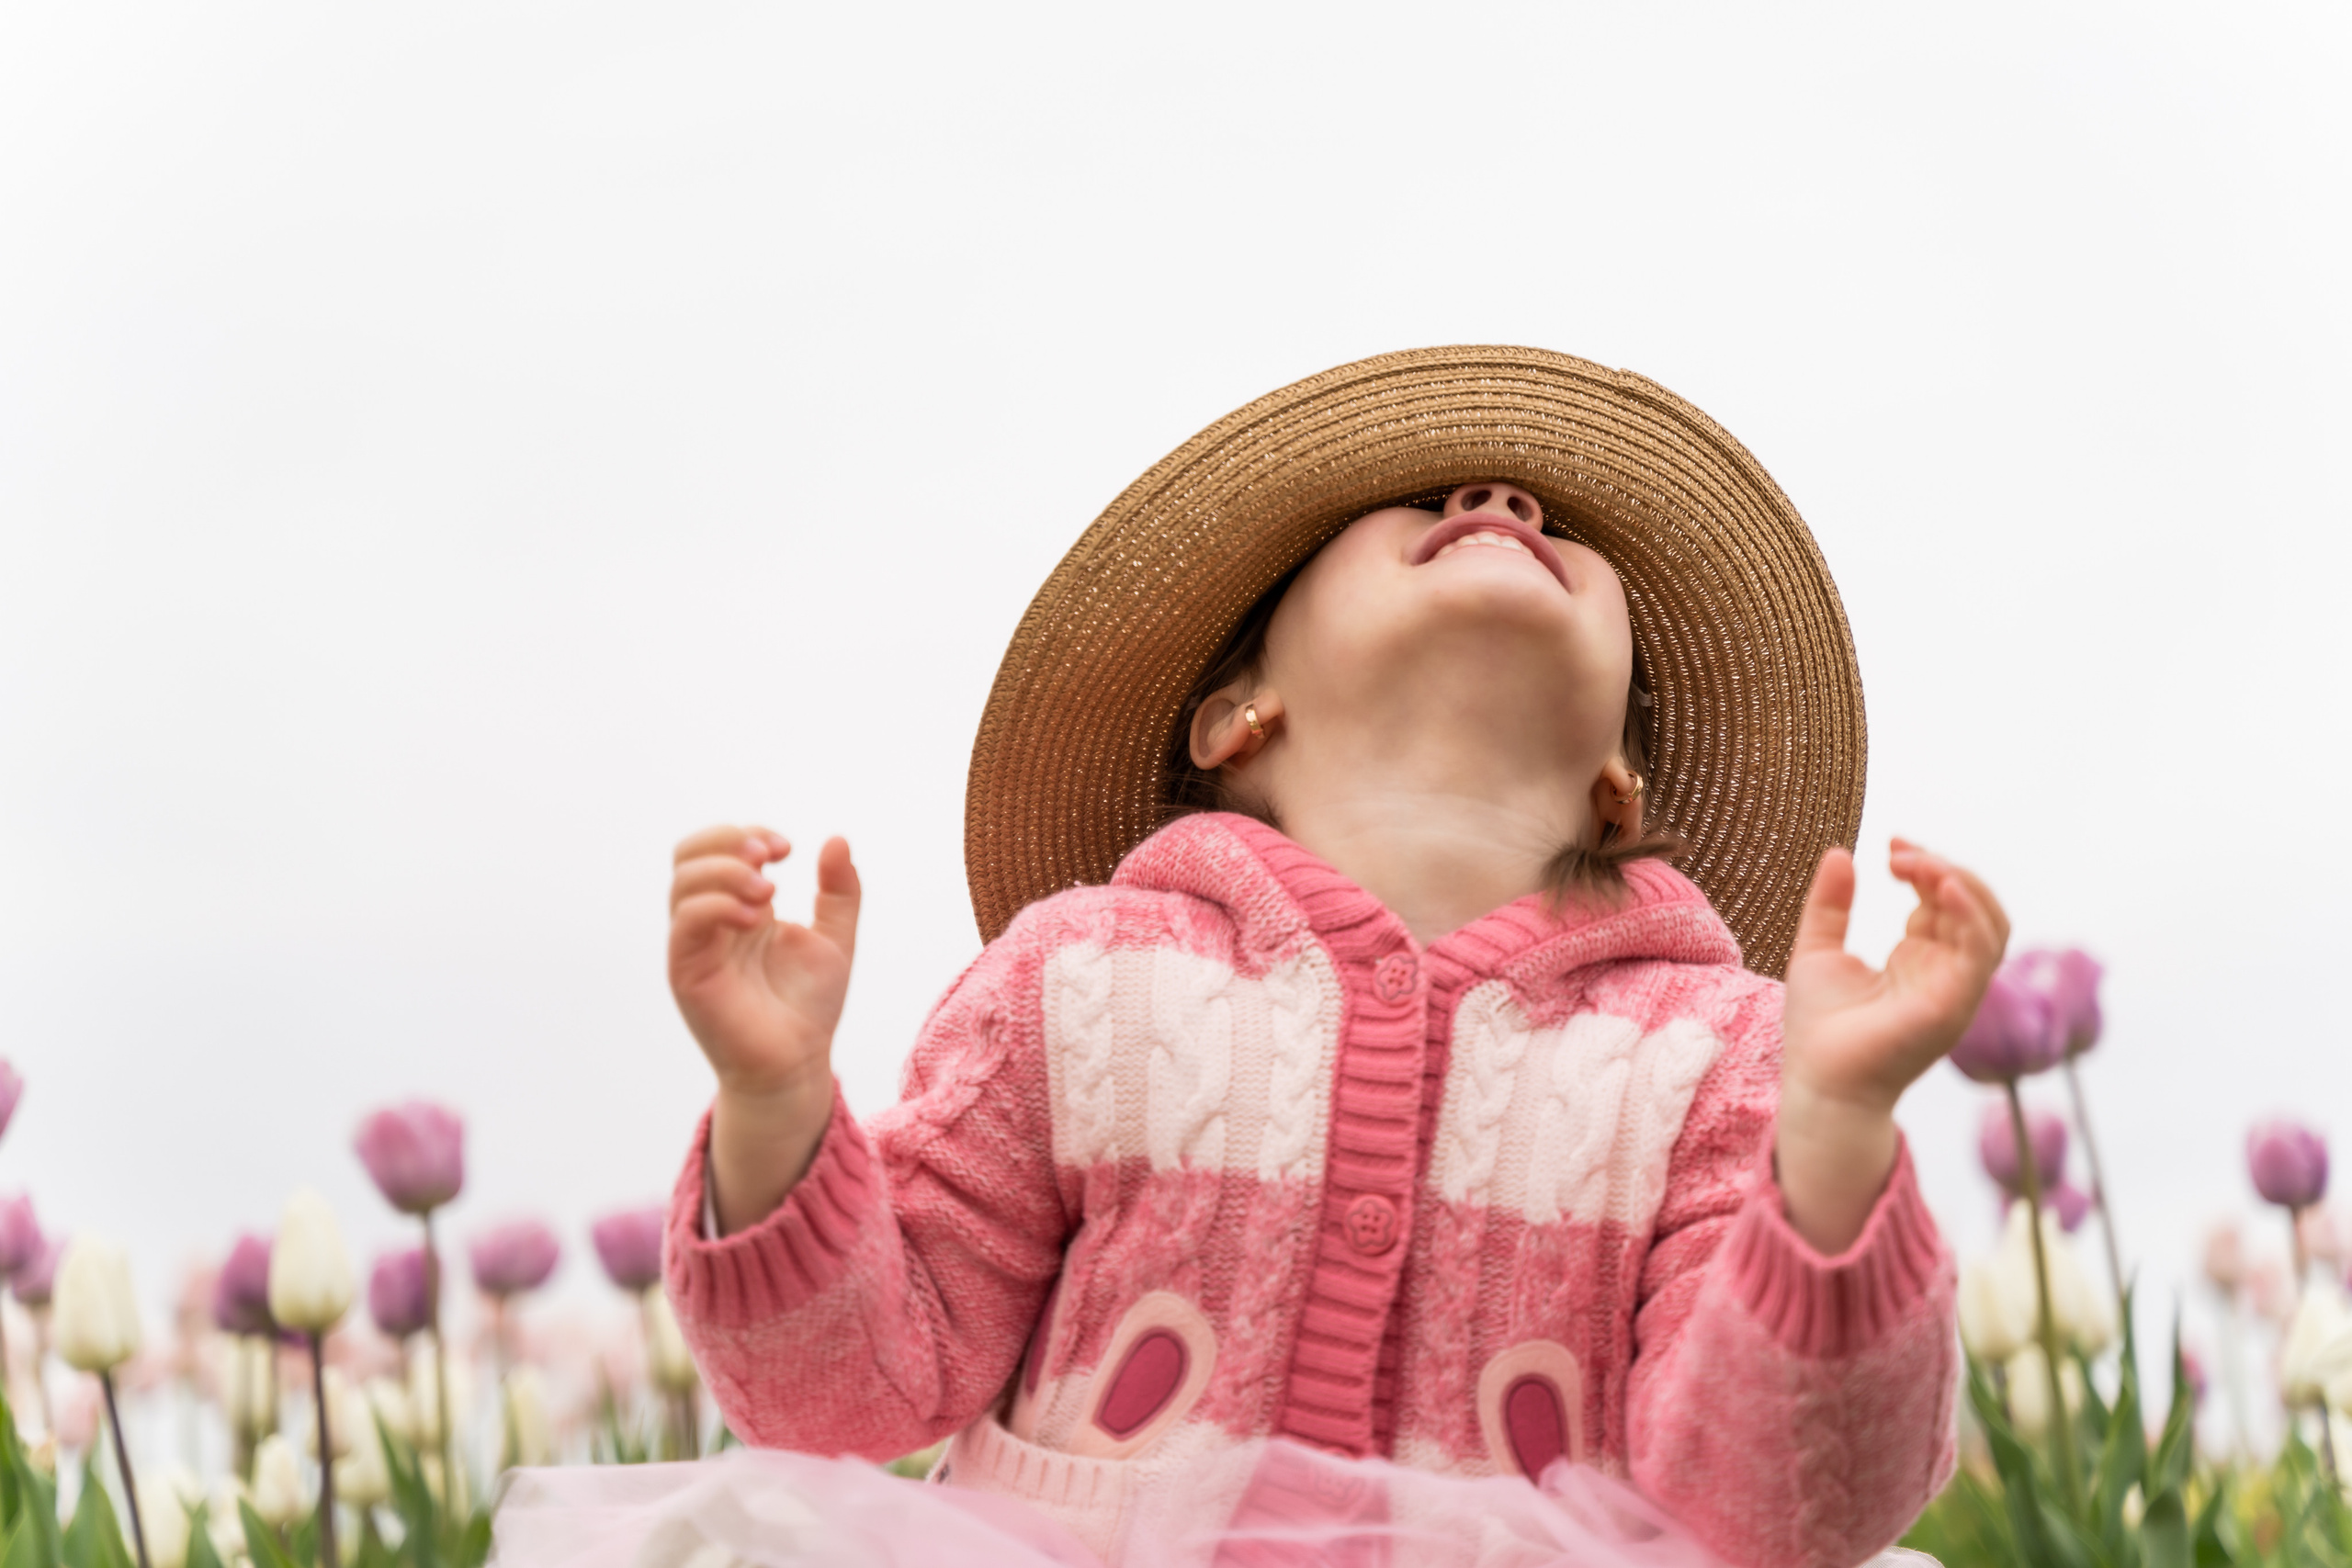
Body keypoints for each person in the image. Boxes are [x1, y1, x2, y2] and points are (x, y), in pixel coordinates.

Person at [650, 348, 1996, 1567]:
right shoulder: (1079, 978)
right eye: (1428, 505)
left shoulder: (1720, 1053)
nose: (1509, 503)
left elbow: (1780, 1509)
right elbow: (852, 1392)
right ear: (1238, 712)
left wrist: (1831, 1144)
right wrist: (774, 1112)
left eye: (1557, 524)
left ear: (1617, 777)